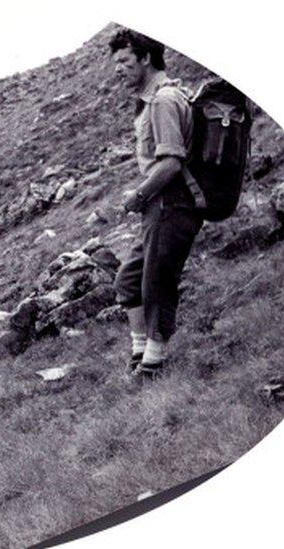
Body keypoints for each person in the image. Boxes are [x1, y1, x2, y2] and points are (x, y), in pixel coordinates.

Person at [108, 29, 203, 378]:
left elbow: (171, 162)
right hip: (158, 205)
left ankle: (153, 365)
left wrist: (139, 195)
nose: (118, 70)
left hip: (172, 203)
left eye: (124, 61)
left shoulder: (163, 101)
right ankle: (139, 353)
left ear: (146, 58)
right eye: (115, 62)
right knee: (130, 280)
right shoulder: (153, 99)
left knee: (158, 282)